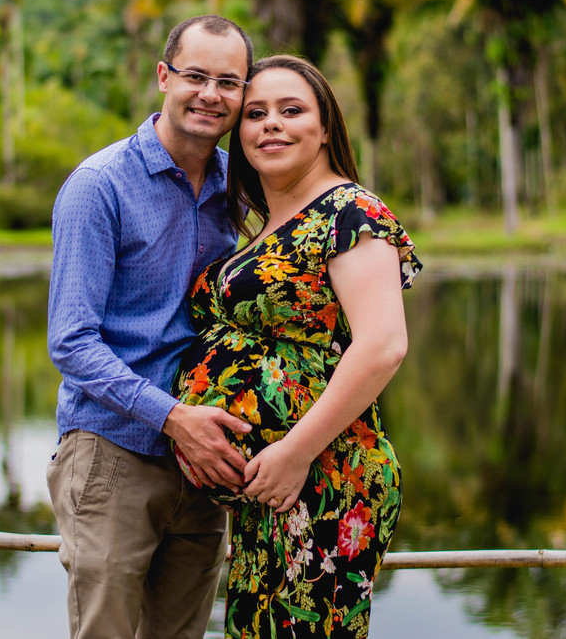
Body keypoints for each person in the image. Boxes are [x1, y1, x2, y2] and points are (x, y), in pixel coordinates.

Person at [172, 54, 421, 639]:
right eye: (255, 114)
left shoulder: (349, 212)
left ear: (325, 125)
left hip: (323, 476)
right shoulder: (263, 225)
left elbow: (383, 345)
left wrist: (294, 452)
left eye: (291, 110)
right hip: (270, 489)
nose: (271, 125)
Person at [46, 15, 259, 639]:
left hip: (207, 460)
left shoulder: (238, 191)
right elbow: (71, 342)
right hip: (114, 450)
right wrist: (173, 418)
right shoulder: (98, 186)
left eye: (229, 81)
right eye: (196, 76)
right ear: (163, 77)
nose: (211, 94)